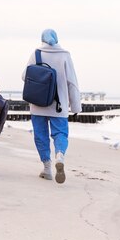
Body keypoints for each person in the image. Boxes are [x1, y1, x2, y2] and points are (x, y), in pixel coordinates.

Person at [22, 29, 81, 184]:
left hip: (38, 104)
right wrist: (76, 107)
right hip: (59, 105)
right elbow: (72, 82)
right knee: (60, 134)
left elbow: (24, 75)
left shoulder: (36, 53)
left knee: (40, 136)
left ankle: (47, 168)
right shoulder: (64, 55)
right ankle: (60, 155)